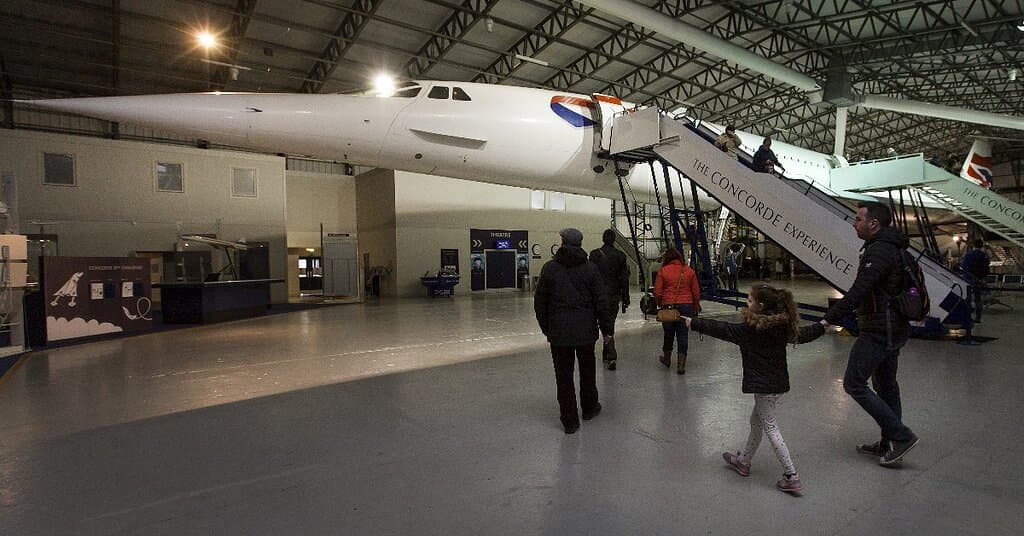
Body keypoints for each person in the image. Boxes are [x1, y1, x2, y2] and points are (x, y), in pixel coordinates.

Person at [683, 283, 824, 493]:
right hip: (777, 384)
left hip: (764, 387)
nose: (746, 304)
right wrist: (822, 325)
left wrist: (693, 323)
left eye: (749, 300)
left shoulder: (750, 329)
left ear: (760, 305)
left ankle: (791, 475)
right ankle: (744, 462)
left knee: (770, 426)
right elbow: (802, 336)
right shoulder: (781, 325)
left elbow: (723, 329)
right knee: (755, 421)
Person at [822, 202, 919, 466]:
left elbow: (859, 290)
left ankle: (901, 436)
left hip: (879, 329)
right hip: (893, 328)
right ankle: (890, 442)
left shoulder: (880, 251)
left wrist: (828, 318)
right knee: (886, 385)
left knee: (854, 383)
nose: (854, 224)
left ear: (873, 224)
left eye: (858, 219)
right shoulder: (893, 248)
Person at [534, 228, 613, 434]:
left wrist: (547, 328)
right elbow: (601, 302)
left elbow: (540, 302)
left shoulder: (550, 269)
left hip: (559, 334)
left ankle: (569, 420)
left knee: (563, 376)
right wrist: (607, 330)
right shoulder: (590, 269)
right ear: (579, 244)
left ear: (562, 242)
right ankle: (589, 408)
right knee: (588, 372)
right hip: (586, 332)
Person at [654, 248, 701, 374]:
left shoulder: (663, 271)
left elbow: (657, 292)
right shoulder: (689, 271)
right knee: (683, 335)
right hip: (686, 306)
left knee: (668, 334)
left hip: (668, 306)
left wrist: (660, 304)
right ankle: (681, 366)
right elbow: (696, 292)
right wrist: (696, 306)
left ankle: (667, 359)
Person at [589, 229, 631, 370]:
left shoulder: (594, 255)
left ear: (602, 238)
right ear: (614, 240)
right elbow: (624, 279)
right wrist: (626, 297)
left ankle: (608, 353)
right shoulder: (620, 256)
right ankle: (610, 355)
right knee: (609, 323)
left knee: (603, 324)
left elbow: (589, 277)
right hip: (613, 295)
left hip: (597, 295)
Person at [960, 239, 991, 323]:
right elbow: (987, 268)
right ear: (982, 246)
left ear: (973, 246)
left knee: (968, 299)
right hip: (979, 280)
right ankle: (978, 318)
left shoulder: (968, 255)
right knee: (978, 299)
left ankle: (968, 317)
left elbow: (963, 266)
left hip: (968, 279)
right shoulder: (984, 256)